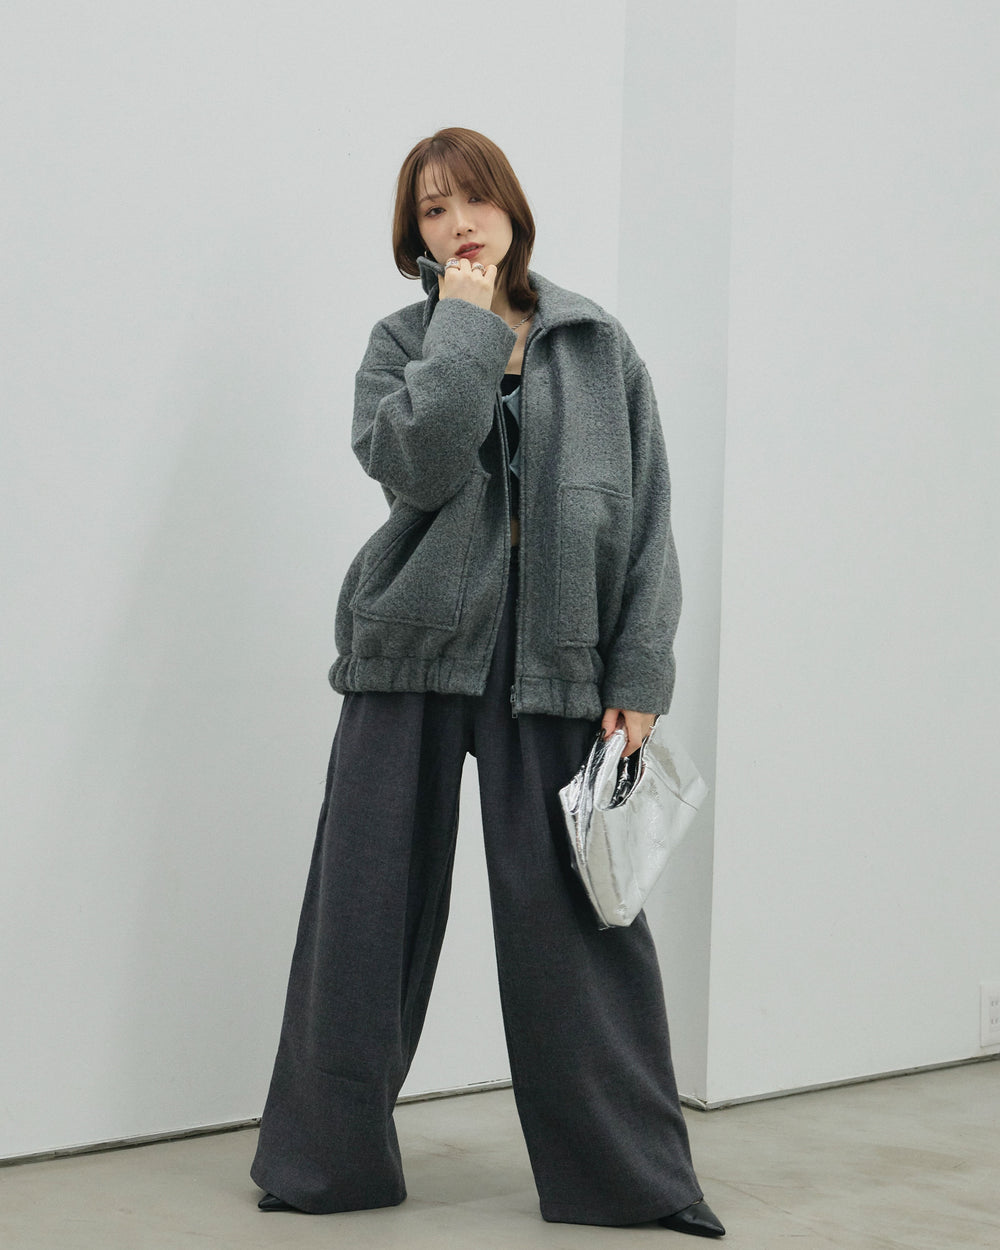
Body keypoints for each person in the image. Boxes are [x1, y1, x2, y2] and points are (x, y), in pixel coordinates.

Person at [250, 127, 725, 1239]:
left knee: (579, 923)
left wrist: (640, 668)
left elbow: (647, 519)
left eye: (472, 199)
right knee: (363, 912)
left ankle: (632, 1180)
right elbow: (416, 467)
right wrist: (461, 326)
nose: (458, 223)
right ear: (411, 234)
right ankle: (323, 1163)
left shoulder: (598, 345)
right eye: (431, 209)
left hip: (559, 663)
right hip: (409, 651)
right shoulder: (400, 342)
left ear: (511, 207)